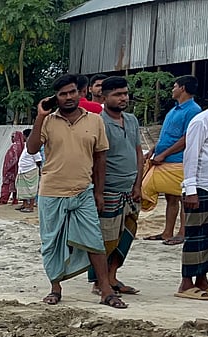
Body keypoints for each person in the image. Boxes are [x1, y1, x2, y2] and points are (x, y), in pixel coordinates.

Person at [26, 72, 123, 309]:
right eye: (63, 94)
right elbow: (31, 148)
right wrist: (40, 116)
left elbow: (100, 159)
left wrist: (98, 193)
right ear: (55, 97)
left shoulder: (95, 120)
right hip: (51, 192)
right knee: (52, 243)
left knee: (94, 241)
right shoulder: (48, 121)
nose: (69, 97)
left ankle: (106, 290)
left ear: (80, 93)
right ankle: (55, 287)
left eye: (72, 92)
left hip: (83, 191)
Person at [85, 76, 144, 297]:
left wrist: (139, 183)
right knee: (105, 238)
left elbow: (138, 153)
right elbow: (96, 158)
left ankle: (112, 276)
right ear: (105, 96)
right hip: (109, 188)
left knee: (126, 235)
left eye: (125, 94)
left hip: (131, 189)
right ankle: (100, 282)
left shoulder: (131, 120)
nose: (123, 98)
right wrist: (98, 192)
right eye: (117, 94)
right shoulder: (97, 122)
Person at [175, 79, 208, 300]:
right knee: (197, 235)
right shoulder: (201, 121)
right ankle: (186, 284)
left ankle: (203, 280)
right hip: (203, 187)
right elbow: (191, 155)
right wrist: (191, 189)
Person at [143, 75, 202, 245]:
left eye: (174, 86)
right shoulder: (175, 109)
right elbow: (165, 134)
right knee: (171, 197)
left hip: (178, 160)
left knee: (183, 197)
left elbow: (186, 138)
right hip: (164, 159)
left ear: (182, 88)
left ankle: (183, 232)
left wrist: (164, 154)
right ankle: (167, 232)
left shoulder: (193, 110)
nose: (172, 89)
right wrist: (154, 150)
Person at [15, 128, 43, 212]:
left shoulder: (32, 146)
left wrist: (38, 170)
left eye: (23, 135)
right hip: (23, 170)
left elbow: (38, 160)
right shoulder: (26, 145)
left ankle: (30, 206)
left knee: (31, 189)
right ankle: (24, 204)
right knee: (22, 188)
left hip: (30, 170)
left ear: (26, 136)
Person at [0, 130, 25, 205]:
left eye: (12, 137)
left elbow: (11, 159)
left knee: (6, 185)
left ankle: (3, 200)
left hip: (11, 169)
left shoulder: (14, 147)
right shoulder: (23, 146)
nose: (11, 138)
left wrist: (7, 167)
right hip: (19, 169)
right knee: (16, 185)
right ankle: (15, 200)